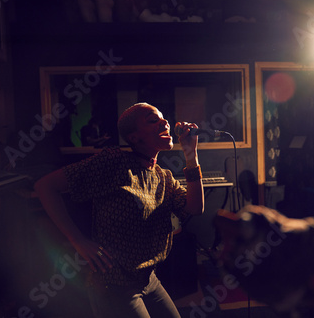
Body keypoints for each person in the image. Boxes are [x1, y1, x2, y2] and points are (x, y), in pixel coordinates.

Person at [34, 102, 204, 318]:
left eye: (163, 117)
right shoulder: (114, 163)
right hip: (115, 285)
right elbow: (45, 187)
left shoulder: (164, 177)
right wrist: (77, 240)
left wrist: (191, 155)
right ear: (134, 137)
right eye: (153, 120)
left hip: (149, 279)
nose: (165, 121)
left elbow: (195, 208)